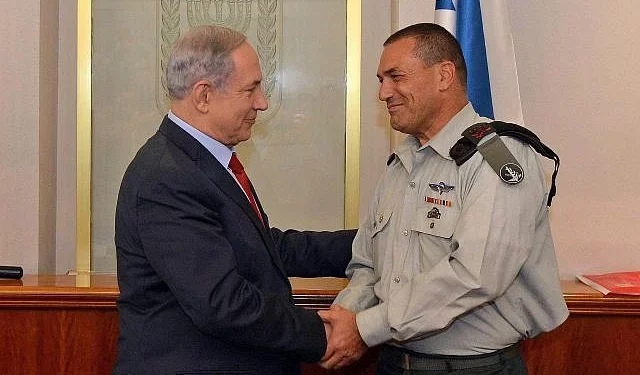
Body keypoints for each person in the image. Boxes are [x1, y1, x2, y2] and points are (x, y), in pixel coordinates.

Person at [318, 23, 569, 374]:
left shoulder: (498, 157)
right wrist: (343, 320)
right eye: (380, 80)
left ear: (444, 75)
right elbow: (367, 265)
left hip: (473, 367)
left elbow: (474, 275)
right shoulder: (401, 164)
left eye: (395, 76)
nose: (383, 93)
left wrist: (365, 327)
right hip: (392, 361)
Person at [113, 25, 355, 375]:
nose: (263, 102)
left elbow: (262, 249)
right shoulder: (166, 177)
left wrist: (369, 244)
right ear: (204, 96)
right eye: (251, 88)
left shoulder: (201, 160)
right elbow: (221, 303)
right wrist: (323, 335)